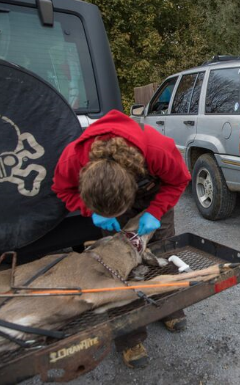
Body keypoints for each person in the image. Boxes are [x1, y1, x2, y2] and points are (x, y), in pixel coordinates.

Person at [52, 109, 191, 368]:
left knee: (162, 252)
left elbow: (179, 180)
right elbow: (61, 189)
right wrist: (91, 212)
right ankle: (130, 337)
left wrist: (156, 211)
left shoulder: (157, 149)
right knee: (117, 270)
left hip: (152, 197)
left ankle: (169, 307)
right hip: (107, 206)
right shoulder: (72, 157)